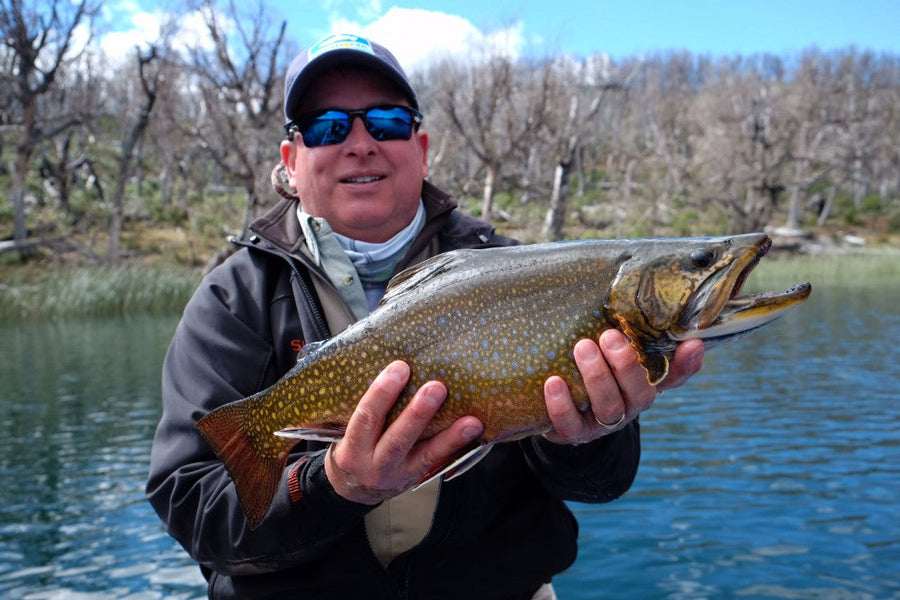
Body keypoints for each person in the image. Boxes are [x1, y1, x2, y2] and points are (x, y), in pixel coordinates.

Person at [146, 32, 704, 600]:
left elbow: (603, 483)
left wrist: (585, 438)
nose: (360, 143)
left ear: (421, 146)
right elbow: (195, 510)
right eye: (327, 127)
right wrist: (329, 485)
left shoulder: (518, 271)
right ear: (291, 163)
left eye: (385, 122)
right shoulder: (232, 299)